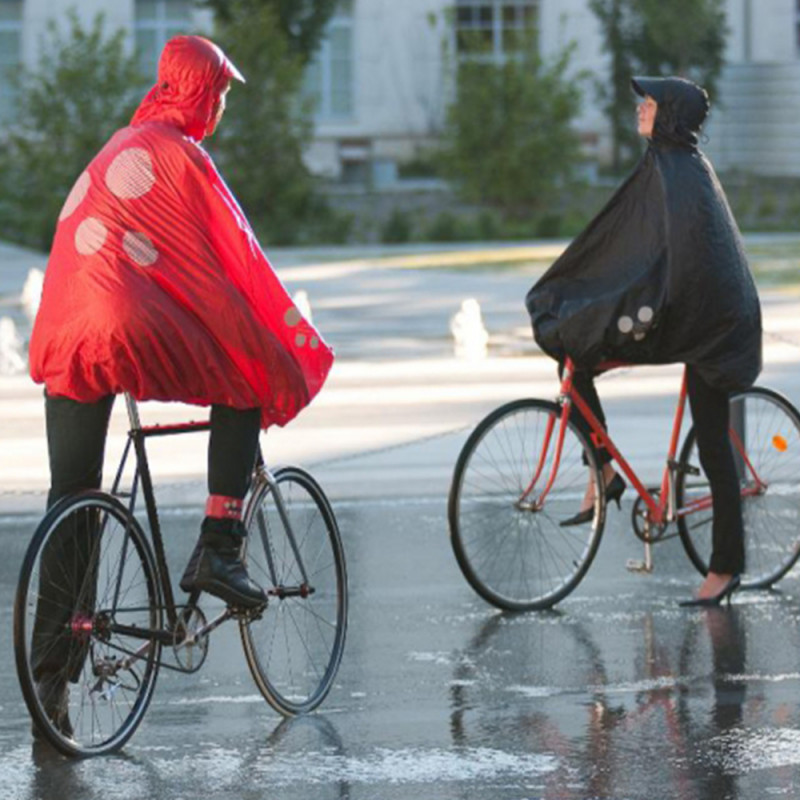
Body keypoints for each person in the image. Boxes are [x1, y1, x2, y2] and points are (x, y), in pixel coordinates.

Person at [27, 35, 333, 734]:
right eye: (220, 94)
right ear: (198, 93)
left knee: (71, 496)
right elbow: (234, 262)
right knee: (244, 374)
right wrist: (274, 336)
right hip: (125, 321)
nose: (221, 107)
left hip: (65, 328)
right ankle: (220, 547)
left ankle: (52, 677)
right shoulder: (185, 156)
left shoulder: (119, 144)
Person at [526, 76, 762, 606]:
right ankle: (604, 471)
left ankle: (726, 568)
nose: (641, 109)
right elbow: (629, 249)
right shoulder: (665, 164)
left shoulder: (681, 173)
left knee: (713, 440)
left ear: (670, 115)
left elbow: (679, 263)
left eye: (651, 103)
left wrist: (623, 307)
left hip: (713, 326)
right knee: (572, 349)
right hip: (685, 311)